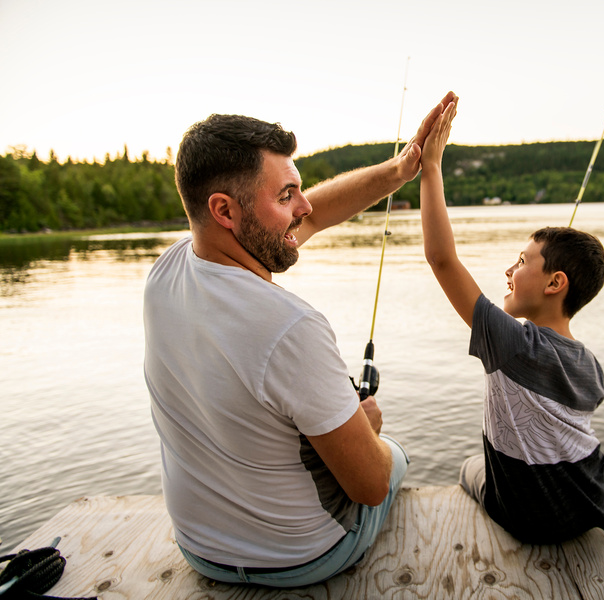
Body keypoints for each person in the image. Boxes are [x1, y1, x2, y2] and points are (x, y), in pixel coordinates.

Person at [143, 92, 456, 587]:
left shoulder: (166, 272)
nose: (305, 207)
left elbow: (311, 217)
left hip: (200, 550)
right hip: (301, 558)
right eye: (286, 195)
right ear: (224, 210)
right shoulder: (291, 327)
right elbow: (370, 487)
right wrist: (365, 428)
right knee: (390, 455)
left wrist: (398, 172)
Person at [418, 97, 604, 544]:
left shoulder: (511, 343)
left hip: (532, 517)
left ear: (555, 284)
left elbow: (441, 259)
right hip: (595, 501)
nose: (509, 272)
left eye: (522, 261)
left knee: (468, 468)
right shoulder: (590, 363)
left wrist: (431, 167)